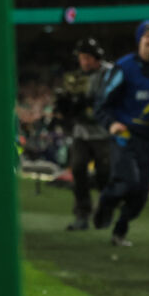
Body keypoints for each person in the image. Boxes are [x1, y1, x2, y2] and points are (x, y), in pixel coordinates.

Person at [92, 20, 149, 246]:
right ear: (139, 40)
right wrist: (111, 124)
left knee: (141, 194)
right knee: (127, 182)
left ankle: (120, 231)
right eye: (147, 36)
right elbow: (102, 103)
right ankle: (106, 204)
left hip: (148, 139)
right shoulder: (123, 67)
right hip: (125, 136)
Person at [55, 38, 112, 230]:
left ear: (97, 58)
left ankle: (105, 211)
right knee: (78, 170)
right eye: (81, 58)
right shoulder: (76, 77)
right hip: (81, 132)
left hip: (104, 133)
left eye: (87, 58)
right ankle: (82, 215)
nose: (84, 62)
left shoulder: (110, 73)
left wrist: (88, 103)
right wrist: (66, 105)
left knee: (105, 175)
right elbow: (70, 108)